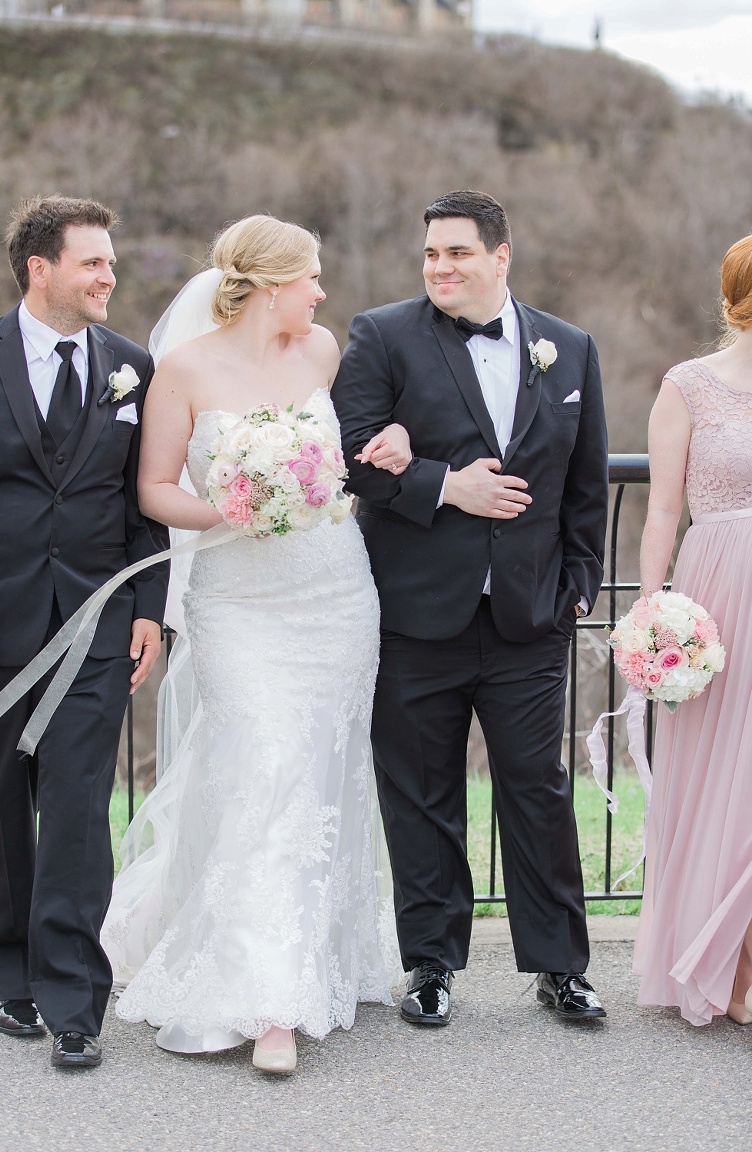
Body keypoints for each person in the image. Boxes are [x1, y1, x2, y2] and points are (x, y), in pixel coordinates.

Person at [101, 215, 408, 1074]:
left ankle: (322, 957)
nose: (321, 291)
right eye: (311, 276)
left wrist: (393, 445)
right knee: (261, 769)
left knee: (318, 772)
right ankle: (266, 999)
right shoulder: (184, 372)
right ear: (273, 283)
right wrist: (231, 511)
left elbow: (345, 454)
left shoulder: (322, 352)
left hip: (334, 593)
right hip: (238, 599)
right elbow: (157, 490)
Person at [331, 189, 609, 1026]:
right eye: (430, 255)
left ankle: (560, 967)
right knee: (419, 793)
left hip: (530, 617)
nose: (440, 268)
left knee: (537, 790)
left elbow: (586, 485)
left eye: (457, 252)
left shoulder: (570, 347)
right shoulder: (383, 335)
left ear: (501, 256)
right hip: (417, 611)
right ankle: (430, 965)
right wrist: (444, 486)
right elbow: (348, 455)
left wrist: (580, 588)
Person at [0, 195, 169, 1069]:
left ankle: (73, 1001)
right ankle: (11, 977)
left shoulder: (134, 367)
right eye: (92, 262)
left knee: (76, 816)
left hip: (96, 630)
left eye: (109, 260)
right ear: (41, 270)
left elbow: (145, 508)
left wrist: (148, 612)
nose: (109, 276)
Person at [634, 234, 752, 1027]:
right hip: (722, 591)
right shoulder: (690, 387)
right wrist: (652, 613)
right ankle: (731, 966)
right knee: (726, 781)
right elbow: (662, 512)